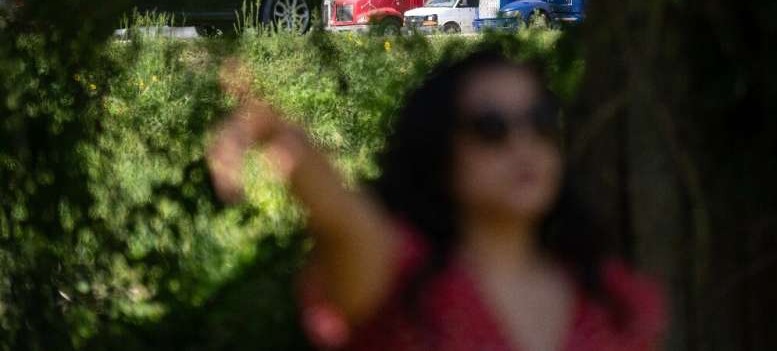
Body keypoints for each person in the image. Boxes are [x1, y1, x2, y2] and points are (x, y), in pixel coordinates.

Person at [207, 49, 666, 351]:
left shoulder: (610, 296)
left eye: (540, 121)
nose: (522, 144)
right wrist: (274, 133)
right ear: (440, 150)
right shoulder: (400, 277)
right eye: (491, 128)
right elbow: (341, 216)